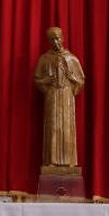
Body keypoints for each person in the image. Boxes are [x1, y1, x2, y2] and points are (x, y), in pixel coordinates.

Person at [34, 27, 85, 169]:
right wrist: (47, 83)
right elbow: (37, 79)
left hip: (67, 96)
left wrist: (71, 84)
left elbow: (81, 80)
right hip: (52, 96)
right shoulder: (45, 58)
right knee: (52, 127)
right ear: (49, 41)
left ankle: (69, 162)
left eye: (57, 38)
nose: (56, 42)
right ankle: (51, 161)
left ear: (63, 38)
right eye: (52, 39)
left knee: (67, 128)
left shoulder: (71, 58)